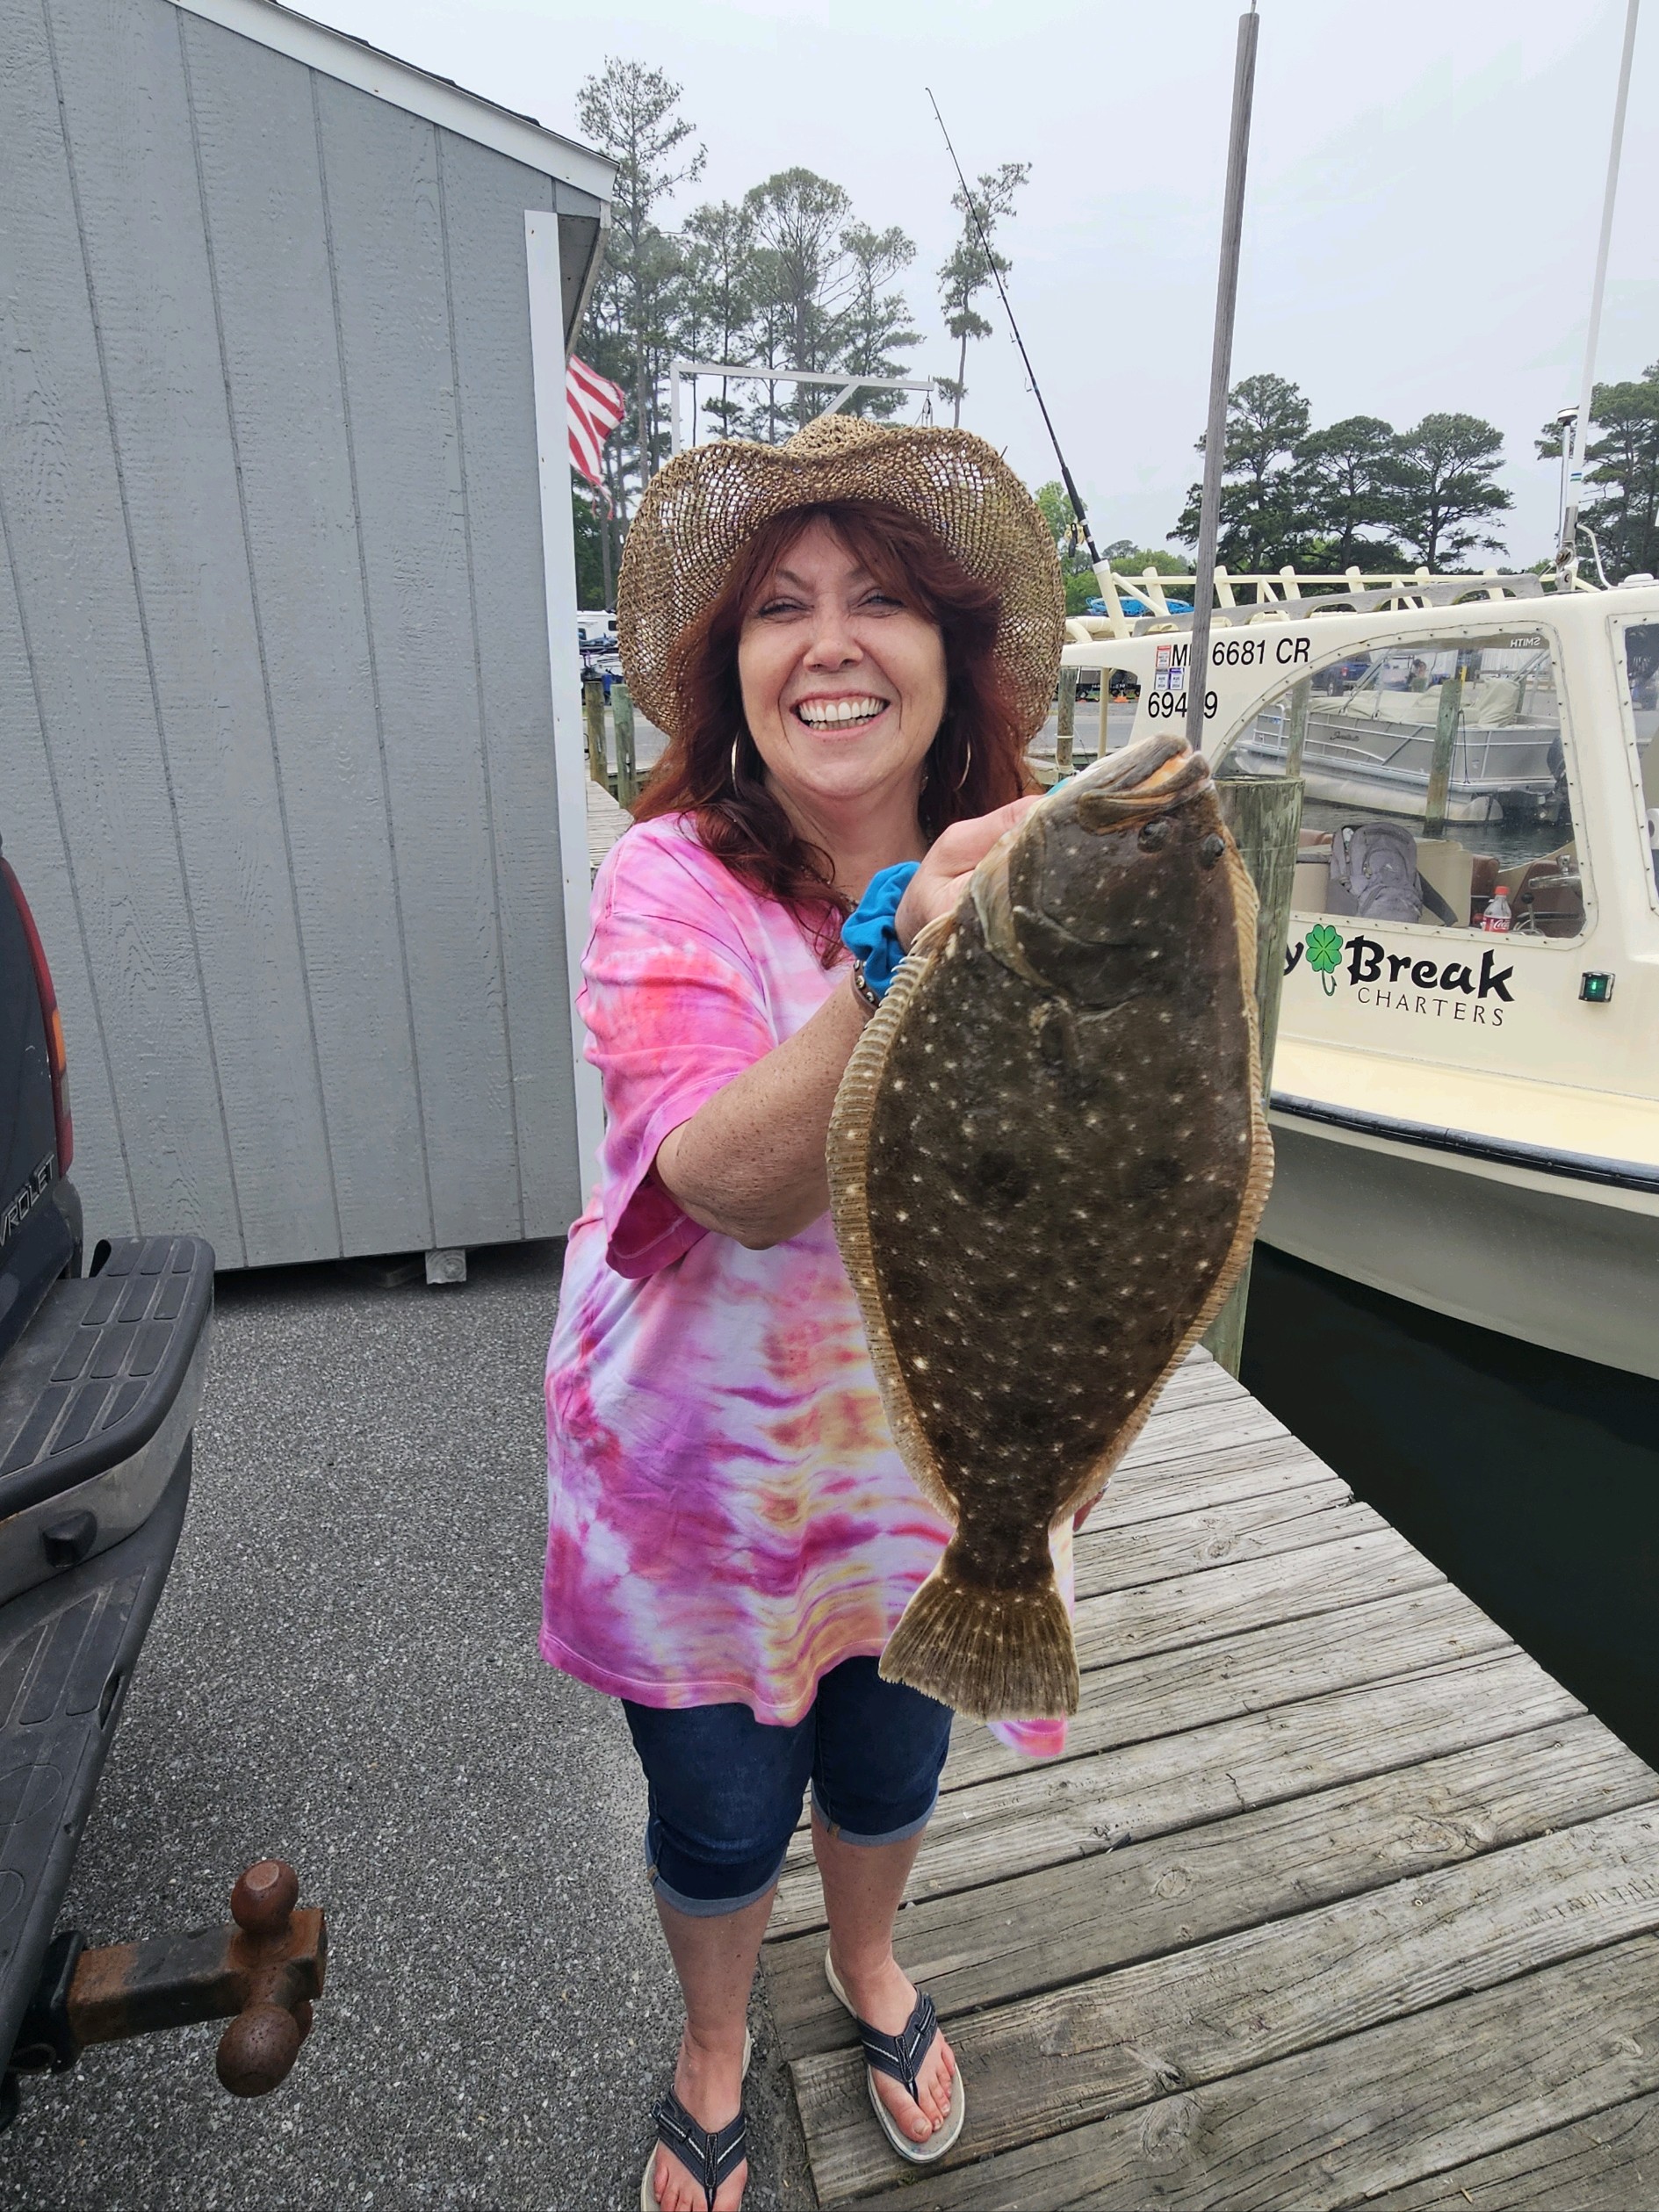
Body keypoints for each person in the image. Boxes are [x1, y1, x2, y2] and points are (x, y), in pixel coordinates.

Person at [540, 414, 1066, 2212]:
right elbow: (726, 1178)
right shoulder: (666, 878)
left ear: (953, 654)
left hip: (926, 1472)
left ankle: (866, 1963)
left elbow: (1087, 1196)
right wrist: (899, 948)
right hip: (692, 1487)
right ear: (733, 672)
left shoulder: (1042, 878)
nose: (830, 645)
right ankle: (713, 2045)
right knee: (714, 1814)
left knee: (889, 1767)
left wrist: (1074, 1447)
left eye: (879, 601)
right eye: (781, 607)